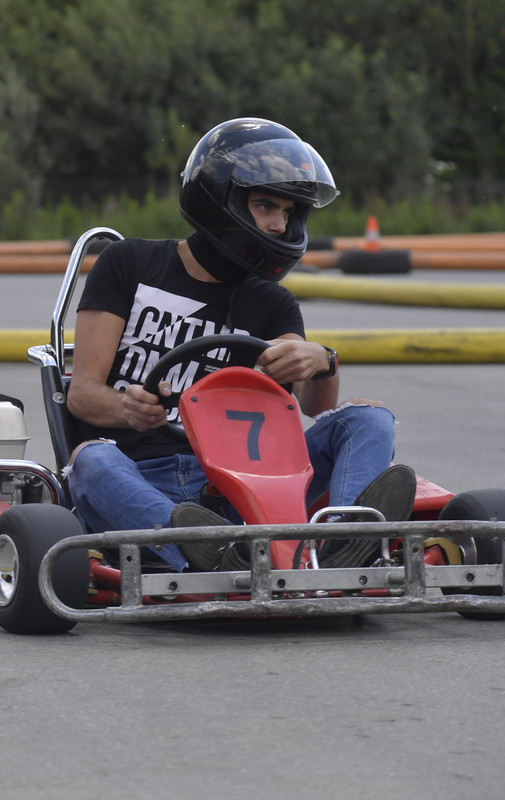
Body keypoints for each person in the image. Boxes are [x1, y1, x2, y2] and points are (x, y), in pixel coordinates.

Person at [64, 117, 415, 572]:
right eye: (265, 206)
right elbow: (82, 393)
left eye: (287, 213)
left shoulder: (272, 303)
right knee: (91, 460)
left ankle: (343, 540)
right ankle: (205, 551)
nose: (276, 225)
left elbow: (313, 405)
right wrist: (127, 409)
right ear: (219, 200)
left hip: (249, 488)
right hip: (139, 479)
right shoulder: (129, 264)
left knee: (370, 418)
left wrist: (321, 360)